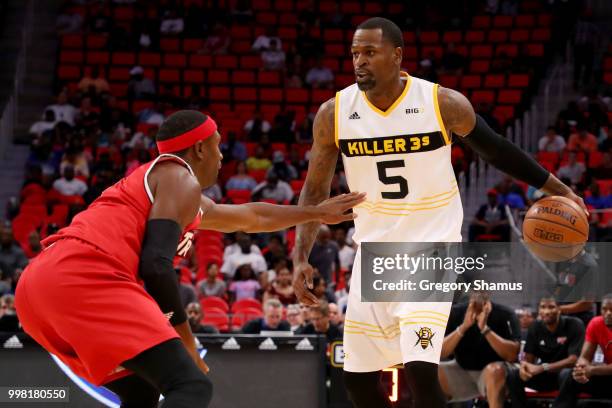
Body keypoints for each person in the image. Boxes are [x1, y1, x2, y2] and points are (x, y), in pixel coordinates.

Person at [292, 17, 586, 408]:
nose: (359, 61)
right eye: (354, 53)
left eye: (369, 52)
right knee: (358, 383)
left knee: (420, 370)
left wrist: (559, 188)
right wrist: (299, 256)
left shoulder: (440, 103)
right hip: (374, 256)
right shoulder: (335, 114)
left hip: (431, 250)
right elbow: (314, 190)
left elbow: (497, 150)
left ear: (397, 56)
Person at [15, 110, 364, 407]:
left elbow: (251, 217)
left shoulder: (176, 191)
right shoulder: (178, 176)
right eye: (218, 146)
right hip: (81, 276)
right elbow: (155, 265)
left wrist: (314, 212)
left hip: (38, 288)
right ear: (199, 147)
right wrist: (185, 340)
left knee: (142, 393)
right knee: (192, 384)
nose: (223, 156)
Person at [439, 292, 521, 408]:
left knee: (494, 371)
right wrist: (464, 327)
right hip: (462, 370)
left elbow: (512, 355)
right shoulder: (455, 312)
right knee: (430, 370)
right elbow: (441, 352)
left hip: (494, 374)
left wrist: (485, 329)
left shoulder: (506, 314)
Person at [505, 297, 584, 408]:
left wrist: (542, 367)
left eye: (551, 307)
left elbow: (573, 360)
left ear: (559, 309)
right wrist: (525, 369)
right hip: (545, 376)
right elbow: (529, 360)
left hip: (566, 377)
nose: (546, 311)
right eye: (543, 307)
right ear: (538, 310)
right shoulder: (535, 327)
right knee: (513, 375)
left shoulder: (574, 324)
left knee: (567, 374)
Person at [554, 294, 612, 407]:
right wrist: (581, 370)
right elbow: (584, 357)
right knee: (567, 375)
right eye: (605, 309)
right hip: (607, 379)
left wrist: (593, 370)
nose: (608, 313)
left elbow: (593, 369)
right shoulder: (596, 323)